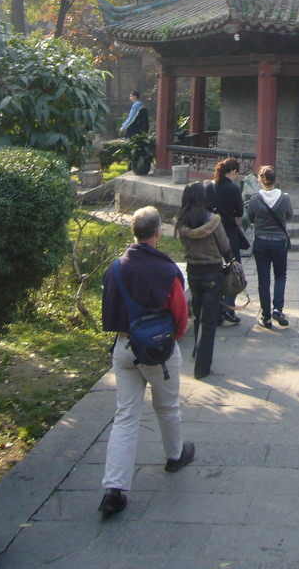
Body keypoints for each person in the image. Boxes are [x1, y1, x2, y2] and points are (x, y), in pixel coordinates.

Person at [99, 206, 194, 516]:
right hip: (157, 350)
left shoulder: (115, 268)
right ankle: (174, 455)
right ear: (158, 233)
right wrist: (173, 341)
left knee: (125, 415)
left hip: (125, 346)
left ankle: (114, 488)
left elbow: (109, 306)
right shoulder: (167, 271)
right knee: (167, 407)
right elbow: (180, 313)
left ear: (133, 233)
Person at [175, 182, 232, 379]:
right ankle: (202, 368)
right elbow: (224, 245)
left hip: (193, 271)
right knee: (209, 322)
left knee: (198, 315)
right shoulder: (213, 220)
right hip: (212, 273)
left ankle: (196, 351)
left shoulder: (182, 222)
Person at [247, 165, 293, 329]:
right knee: (280, 275)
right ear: (276, 179)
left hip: (261, 241)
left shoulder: (254, 199)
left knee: (263, 278)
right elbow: (289, 215)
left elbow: (251, 218)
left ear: (260, 180)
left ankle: (265, 315)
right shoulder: (285, 198)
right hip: (279, 241)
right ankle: (278, 309)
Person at [205, 158, 246, 325]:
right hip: (229, 235)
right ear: (233, 172)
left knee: (215, 272)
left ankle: (216, 309)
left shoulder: (209, 187)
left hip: (212, 234)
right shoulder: (233, 189)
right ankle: (228, 307)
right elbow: (240, 211)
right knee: (234, 272)